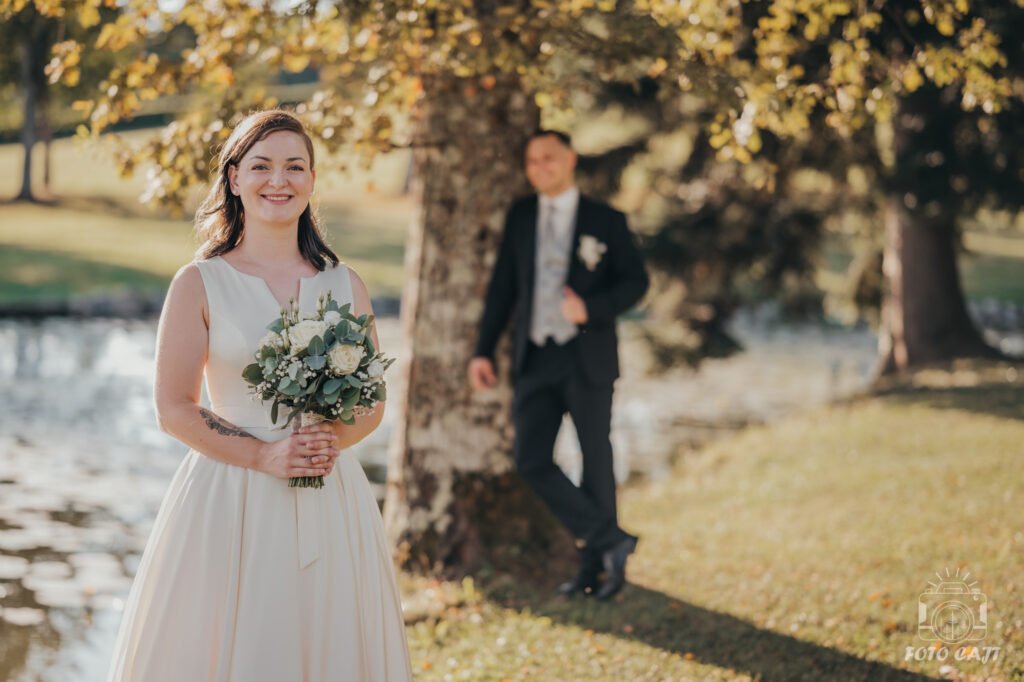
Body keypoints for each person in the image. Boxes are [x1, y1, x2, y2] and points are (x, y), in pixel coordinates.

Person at [106, 110, 413, 681]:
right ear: (234, 178)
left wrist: (325, 441)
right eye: (262, 166)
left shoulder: (344, 283)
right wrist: (264, 455)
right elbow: (173, 408)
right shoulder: (199, 282)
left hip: (327, 492)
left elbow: (371, 402)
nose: (279, 180)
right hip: (229, 495)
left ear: (312, 180)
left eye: (295, 167)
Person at [468, 130, 650, 601]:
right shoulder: (522, 215)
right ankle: (611, 539)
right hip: (535, 356)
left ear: (570, 159)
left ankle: (595, 572)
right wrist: (483, 350)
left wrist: (591, 308)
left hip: (588, 357)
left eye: (549, 158)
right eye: (532, 161)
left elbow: (636, 282)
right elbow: (504, 287)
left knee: (595, 459)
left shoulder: (605, 220)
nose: (540, 167)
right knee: (530, 460)